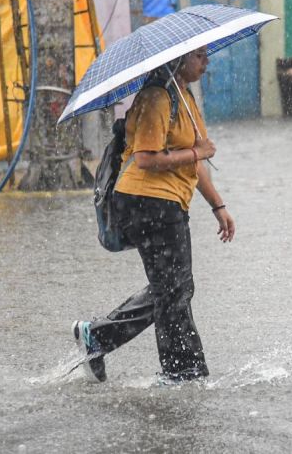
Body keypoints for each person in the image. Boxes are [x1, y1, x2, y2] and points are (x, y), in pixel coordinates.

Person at [72, 46, 235, 384]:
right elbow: (146, 158)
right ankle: (181, 371)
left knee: (172, 287)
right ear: (180, 60)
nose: (207, 61)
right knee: (174, 289)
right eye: (200, 56)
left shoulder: (184, 97)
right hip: (146, 203)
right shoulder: (157, 97)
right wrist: (195, 151)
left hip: (168, 202)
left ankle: (99, 338)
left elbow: (195, 162)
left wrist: (218, 206)